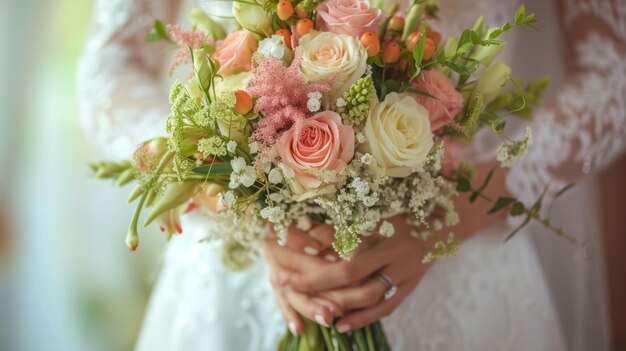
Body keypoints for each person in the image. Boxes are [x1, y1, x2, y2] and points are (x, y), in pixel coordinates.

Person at [77, 0, 625, 350]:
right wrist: (236, 196)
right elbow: (107, 70)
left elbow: (612, 76)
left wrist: (449, 216)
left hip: (460, 258)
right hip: (242, 270)